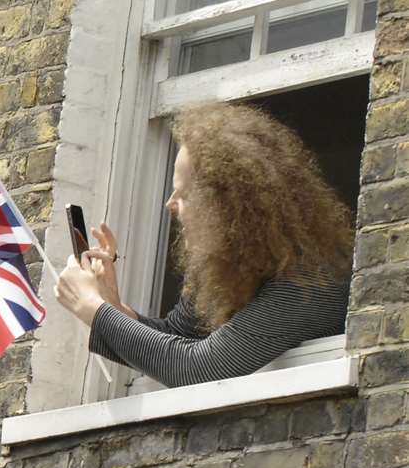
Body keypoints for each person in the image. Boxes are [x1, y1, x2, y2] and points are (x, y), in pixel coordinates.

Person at [55, 101, 352, 388]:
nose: (170, 204)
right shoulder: (233, 267)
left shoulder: (309, 285)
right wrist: (113, 306)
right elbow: (176, 335)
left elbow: (197, 366)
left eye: (183, 194)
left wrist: (93, 308)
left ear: (226, 206)